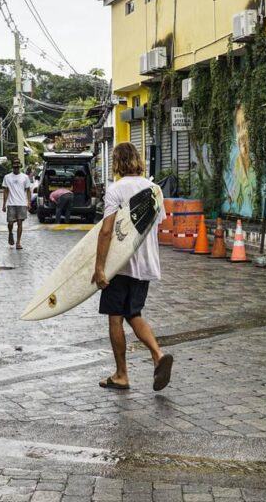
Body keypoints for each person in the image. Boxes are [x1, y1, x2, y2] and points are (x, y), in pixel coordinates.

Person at [92, 142, 173, 392]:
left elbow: (106, 231)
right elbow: (153, 226)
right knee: (134, 314)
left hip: (121, 266)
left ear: (116, 162)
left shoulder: (115, 190)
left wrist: (100, 267)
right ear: (137, 160)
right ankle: (158, 354)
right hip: (146, 264)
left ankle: (121, 375)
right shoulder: (155, 190)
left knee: (115, 318)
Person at [1, 159, 32, 249]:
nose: (16, 167)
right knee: (10, 223)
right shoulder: (7, 177)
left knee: (19, 223)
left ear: (20, 166)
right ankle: (10, 232)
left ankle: (18, 242)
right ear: (12, 166)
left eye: (18, 165)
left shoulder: (25, 177)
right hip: (11, 204)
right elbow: (6, 191)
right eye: (15, 165)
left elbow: (28, 190)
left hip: (22, 203)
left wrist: (29, 202)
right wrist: (4, 204)